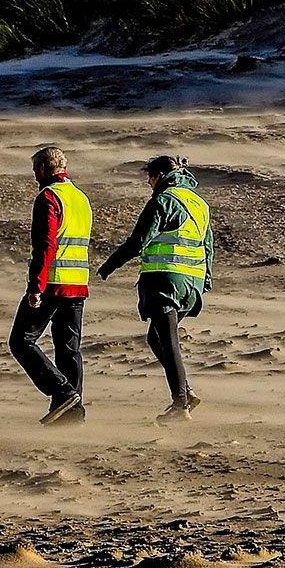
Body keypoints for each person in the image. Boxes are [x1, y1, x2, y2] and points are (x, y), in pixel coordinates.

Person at [103, 153, 214, 422]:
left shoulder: (163, 200)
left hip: (166, 281)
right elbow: (208, 246)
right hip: (192, 284)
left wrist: (109, 266)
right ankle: (185, 391)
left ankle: (180, 405)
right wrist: (205, 280)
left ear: (159, 176)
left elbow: (138, 241)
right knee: (157, 337)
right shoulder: (199, 203)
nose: (150, 184)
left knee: (168, 340)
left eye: (150, 179)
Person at [9, 145, 90, 425]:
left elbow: (46, 245)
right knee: (69, 348)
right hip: (78, 283)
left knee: (21, 341)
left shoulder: (48, 197)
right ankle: (72, 410)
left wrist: (35, 286)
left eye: (35, 171)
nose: (34, 177)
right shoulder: (80, 197)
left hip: (53, 284)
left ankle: (63, 392)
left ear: (43, 169)